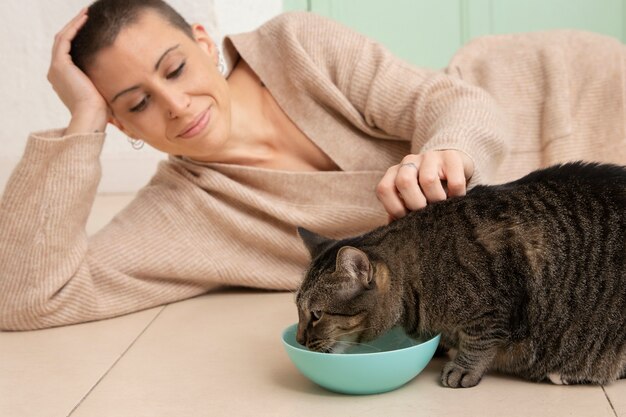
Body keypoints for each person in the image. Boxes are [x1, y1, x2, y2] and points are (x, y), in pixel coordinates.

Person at [0, 0, 623, 331]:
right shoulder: (182, 215)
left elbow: (451, 101)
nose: (175, 105)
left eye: (174, 69)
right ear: (119, 123)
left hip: (558, 93)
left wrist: (447, 151)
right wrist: (81, 119)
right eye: (135, 103)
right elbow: (24, 298)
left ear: (200, 39)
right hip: (567, 249)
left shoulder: (294, 45)